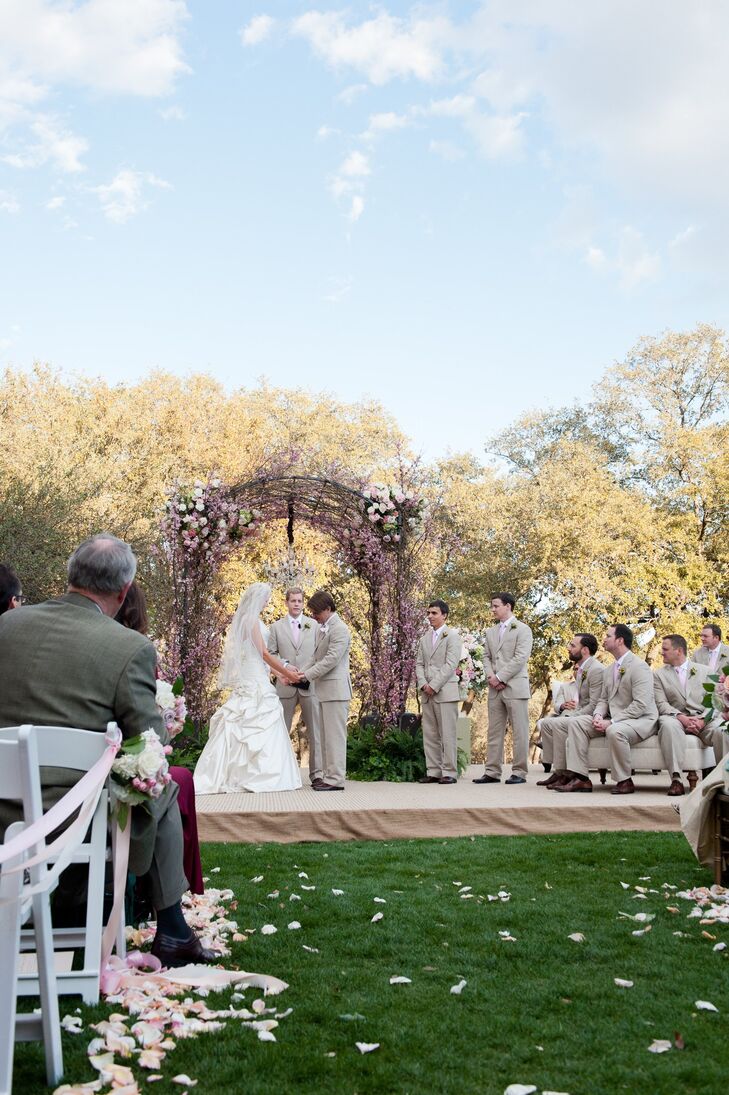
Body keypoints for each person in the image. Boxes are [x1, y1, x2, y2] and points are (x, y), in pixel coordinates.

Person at [0, 534, 216, 967]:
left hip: (2, 810)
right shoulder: (128, 647)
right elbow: (148, 748)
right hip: (69, 820)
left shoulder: (5, 627)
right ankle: (171, 928)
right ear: (122, 592)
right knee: (164, 787)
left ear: (70, 577)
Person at [115, 580, 204, 894]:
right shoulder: (136, 651)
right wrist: (167, 725)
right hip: (118, 772)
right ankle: (172, 894)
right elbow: (144, 731)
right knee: (180, 780)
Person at [193, 582, 303, 793]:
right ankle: (249, 776)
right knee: (252, 719)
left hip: (256, 674)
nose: (267, 601)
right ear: (257, 599)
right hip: (253, 679)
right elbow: (263, 654)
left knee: (249, 722)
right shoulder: (251, 620)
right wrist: (288, 673)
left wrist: (279, 674)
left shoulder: (250, 620)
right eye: (265, 598)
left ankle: (247, 773)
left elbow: (258, 658)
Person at [560, 623, 658, 794]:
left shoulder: (639, 667)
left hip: (641, 720)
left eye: (608, 636)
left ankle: (625, 781)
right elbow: (603, 699)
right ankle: (581, 778)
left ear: (620, 640)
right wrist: (598, 715)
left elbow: (641, 704)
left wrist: (611, 721)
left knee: (615, 730)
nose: (604, 639)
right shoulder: (609, 670)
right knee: (577, 722)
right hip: (614, 719)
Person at [473, 592, 533, 785]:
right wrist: (491, 677)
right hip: (495, 688)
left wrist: (500, 677)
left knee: (520, 731)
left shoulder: (523, 629)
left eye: (496, 606)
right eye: (492, 606)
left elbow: (520, 657)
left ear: (508, 606)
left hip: (515, 686)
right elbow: (486, 657)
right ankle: (492, 771)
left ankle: (519, 772)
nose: (493, 609)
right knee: (494, 730)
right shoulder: (490, 632)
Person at [654, 633, 722, 796]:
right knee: (668, 725)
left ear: (678, 651)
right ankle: (676, 779)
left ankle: (723, 780)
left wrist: (703, 720)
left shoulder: (706, 671)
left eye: (665, 649)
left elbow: (715, 701)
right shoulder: (658, 675)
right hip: (675, 718)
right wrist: (682, 718)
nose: (661, 652)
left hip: (703, 719)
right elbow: (661, 703)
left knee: (722, 730)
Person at [267, 587, 322, 787]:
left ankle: (317, 775)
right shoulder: (275, 627)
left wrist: (306, 671)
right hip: (286, 685)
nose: (296, 604)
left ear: (303, 602)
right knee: (281, 730)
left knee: (314, 731)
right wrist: (285, 666)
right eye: (293, 601)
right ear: (287, 603)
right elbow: (270, 654)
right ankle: (278, 773)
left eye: (299, 601)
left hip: (309, 683)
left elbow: (319, 652)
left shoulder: (314, 625)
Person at [299, 590, 352, 791]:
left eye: (316, 612)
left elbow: (331, 660)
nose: (313, 616)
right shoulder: (323, 629)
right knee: (324, 737)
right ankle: (328, 776)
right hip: (323, 690)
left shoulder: (340, 629)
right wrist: (298, 673)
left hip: (336, 691)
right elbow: (315, 657)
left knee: (335, 737)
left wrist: (307, 676)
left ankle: (336, 779)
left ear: (328, 609)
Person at [537, 634, 605, 789]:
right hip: (581, 713)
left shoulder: (596, 670)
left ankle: (571, 774)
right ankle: (559, 771)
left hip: (593, 716)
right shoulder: (582, 669)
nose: (568, 648)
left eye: (573, 645)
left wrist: (574, 715)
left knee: (559, 722)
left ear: (585, 650)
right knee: (547, 723)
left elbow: (595, 704)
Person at [415, 599, 462, 784]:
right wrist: (423, 684)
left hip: (444, 692)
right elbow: (419, 664)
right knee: (430, 733)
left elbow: (451, 664)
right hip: (426, 693)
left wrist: (434, 685)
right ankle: (433, 771)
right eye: (428, 613)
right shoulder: (424, 639)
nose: (430, 616)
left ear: (444, 615)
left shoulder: (452, 637)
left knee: (447, 733)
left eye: (434, 613)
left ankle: (449, 771)